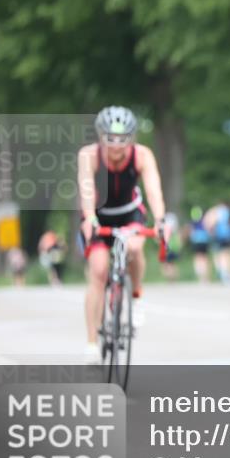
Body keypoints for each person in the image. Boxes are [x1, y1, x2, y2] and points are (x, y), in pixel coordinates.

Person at [78, 106, 170, 363]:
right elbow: (86, 190)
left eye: (122, 139)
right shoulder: (89, 155)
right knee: (98, 271)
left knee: (134, 248)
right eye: (110, 139)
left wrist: (160, 220)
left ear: (132, 138)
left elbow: (153, 190)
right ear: (100, 136)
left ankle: (136, 294)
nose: (116, 146)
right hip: (99, 215)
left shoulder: (142, 155)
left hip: (130, 212)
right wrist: (90, 219)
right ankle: (91, 343)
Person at [205, 201, 230, 284]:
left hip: (218, 236)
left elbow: (210, 224)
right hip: (228, 236)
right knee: (227, 255)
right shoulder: (227, 211)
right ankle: (228, 273)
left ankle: (222, 271)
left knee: (219, 255)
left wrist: (210, 232)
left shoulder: (214, 212)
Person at [187, 206, 212, 283]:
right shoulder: (204, 221)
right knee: (205, 258)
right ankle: (206, 276)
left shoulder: (192, 222)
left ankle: (200, 276)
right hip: (204, 240)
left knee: (198, 258)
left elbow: (190, 231)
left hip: (196, 241)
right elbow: (208, 229)